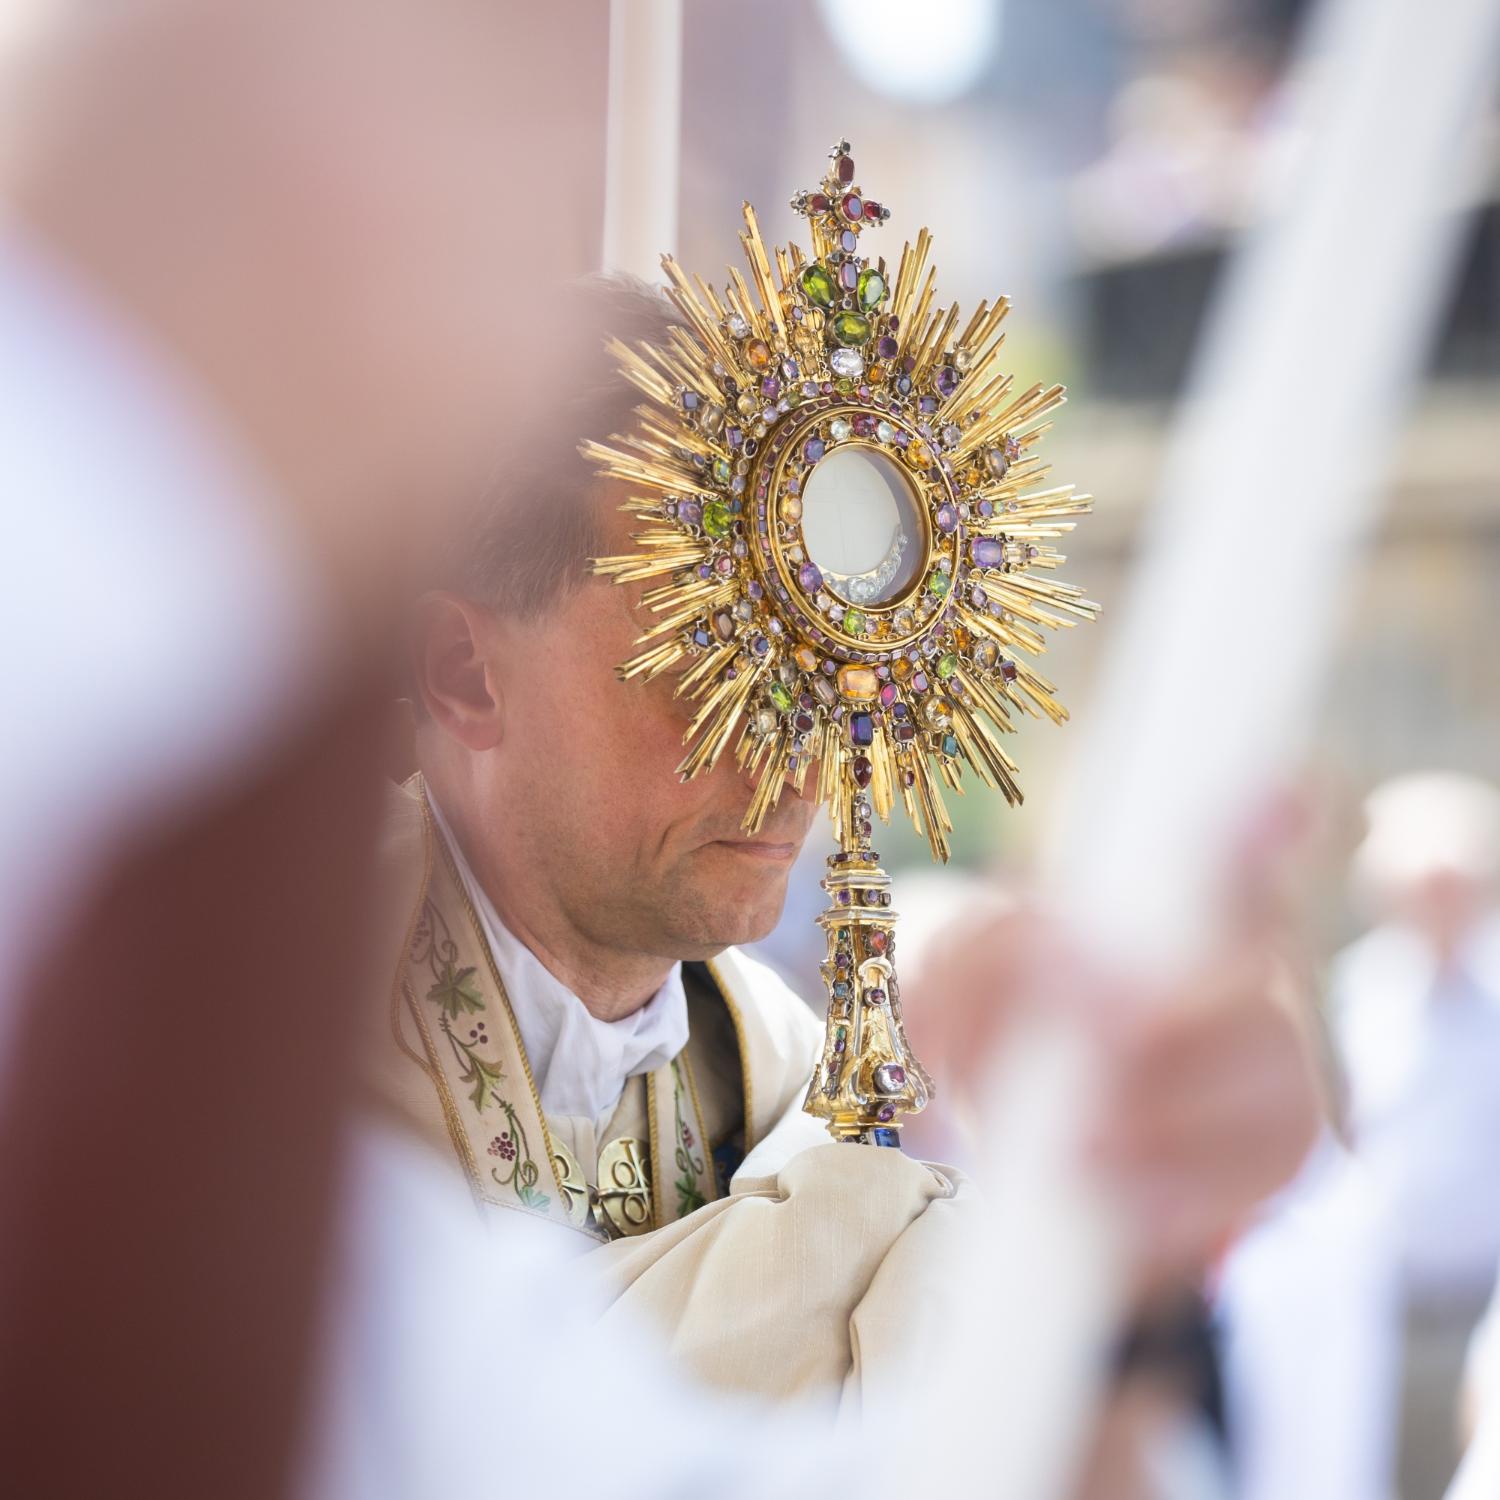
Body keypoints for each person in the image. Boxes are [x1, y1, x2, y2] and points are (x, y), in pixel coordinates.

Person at [372, 272, 1324, 1418]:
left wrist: (1130, 1257)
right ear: (465, 675)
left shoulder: (780, 1067)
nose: (800, 765)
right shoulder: (255, 1039)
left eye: (822, 677)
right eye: (715, 669)